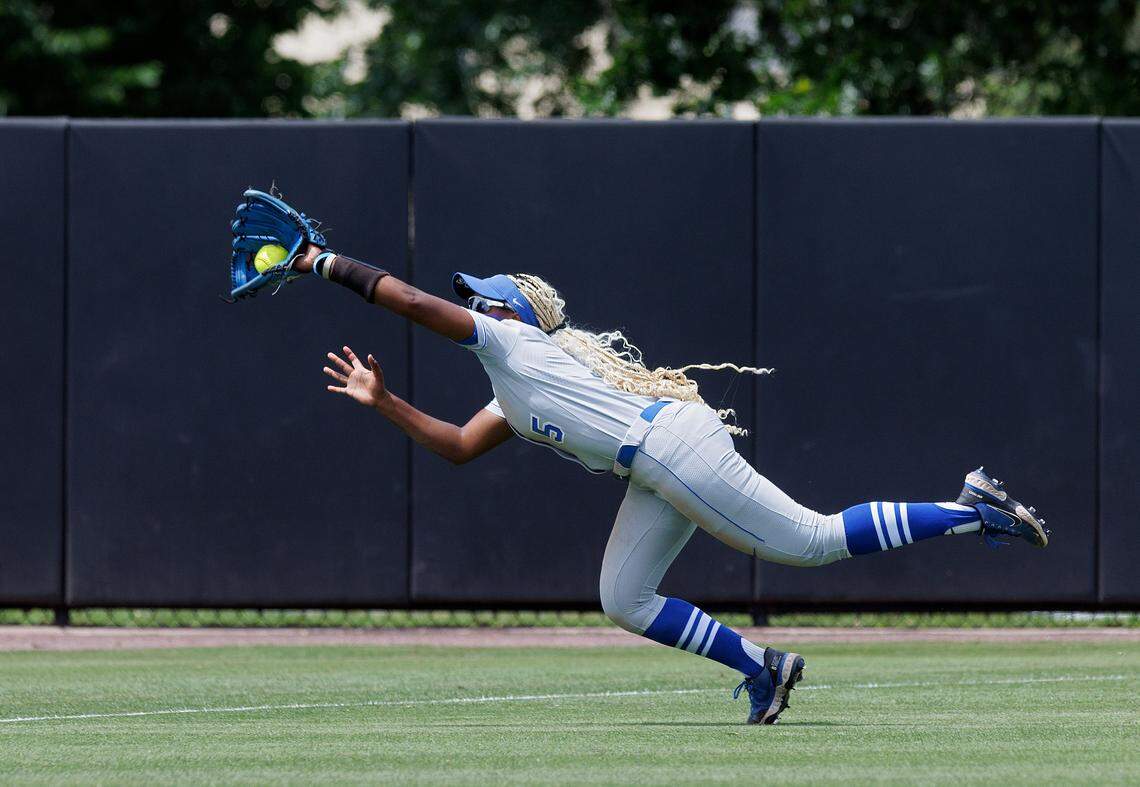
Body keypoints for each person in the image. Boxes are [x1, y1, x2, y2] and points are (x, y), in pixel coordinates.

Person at [296, 244, 1049, 725]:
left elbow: (415, 303)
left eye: (486, 297)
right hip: (654, 461)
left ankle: (968, 509)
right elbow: (460, 446)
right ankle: (763, 667)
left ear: (515, 314)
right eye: (478, 297)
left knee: (811, 540)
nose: (475, 303)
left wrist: (322, 263)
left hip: (669, 449)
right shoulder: (513, 385)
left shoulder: (516, 340)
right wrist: (385, 401)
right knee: (623, 598)